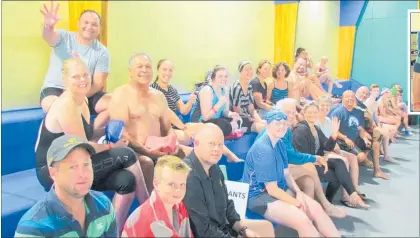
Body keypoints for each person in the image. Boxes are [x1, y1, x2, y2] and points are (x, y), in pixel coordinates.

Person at [34, 58, 149, 234]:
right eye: (76, 77)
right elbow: (84, 148)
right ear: (65, 80)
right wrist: (112, 146)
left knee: (127, 180)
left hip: (75, 162)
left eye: (85, 75)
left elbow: (88, 135)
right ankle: (150, 212)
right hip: (54, 169)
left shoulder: (83, 100)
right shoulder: (67, 104)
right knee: (126, 154)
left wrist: (109, 129)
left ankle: (112, 231)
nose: (82, 80)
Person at [243, 110, 341, 237]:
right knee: (303, 220)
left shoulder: (279, 143)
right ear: (267, 124)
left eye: (285, 123)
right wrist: (297, 203)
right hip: (258, 196)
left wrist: (299, 193)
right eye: (277, 123)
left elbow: (286, 173)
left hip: (279, 188)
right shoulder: (264, 149)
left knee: (316, 209)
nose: (282, 127)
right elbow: (271, 190)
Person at [108, 53, 187, 194]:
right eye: (139, 66)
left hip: (159, 149)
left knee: (185, 153)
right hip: (134, 152)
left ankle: (182, 204)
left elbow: (167, 128)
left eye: (148, 67)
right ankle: (153, 208)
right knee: (146, 162)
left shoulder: (159, 96)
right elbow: (122, 135)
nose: (144, 70)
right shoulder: (121, 94)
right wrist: (149, 153)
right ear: (130, 71)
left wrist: (172, 142)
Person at [258, 98, 345, 218]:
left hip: (282, 168)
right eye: (287, 112)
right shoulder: (277, 128)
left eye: (293, 112)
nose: (292, 115)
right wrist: (314, 158)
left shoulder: (286, 129)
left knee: (308, 181)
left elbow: (288, 155)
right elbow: (291, 156)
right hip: (268, 176)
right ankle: (325, 204)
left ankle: (307, 217)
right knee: (309, 166)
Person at [184, 124, 275, 237]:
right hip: (207, 234)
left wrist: (243, 230)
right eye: (211, 144)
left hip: (222, 228)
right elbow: (203, 230)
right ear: (196, 143)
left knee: (267, 228)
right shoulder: (189, 177)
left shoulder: (214, 168)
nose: (217, 149)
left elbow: (227, 204)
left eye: (220, 145)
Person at [16, 135, 117, 237]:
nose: (83, 174)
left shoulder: (104, 205)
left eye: (86, 164)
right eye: (72, 167)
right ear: (53, 173)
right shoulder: (33, 228)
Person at [39, 1, 110, 128]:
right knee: (57, 106)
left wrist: (80, 95)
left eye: (94, 24)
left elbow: (98, 83)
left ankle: (92, 132)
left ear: (99, 28)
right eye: (86, 22)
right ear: (78, 24)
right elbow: (48, 36)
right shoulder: (63, 37)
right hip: (56, 90)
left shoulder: (102, 52)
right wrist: (48, 26)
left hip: (86, 94)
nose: (89, 26)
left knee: (115, 103)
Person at [293, 103, 368, 208]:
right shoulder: (300, 130)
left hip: (317, 160)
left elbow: (327, 147)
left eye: (315, 112)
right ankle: (329, 202)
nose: (312, 115)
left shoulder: (316, 128)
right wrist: (319, 160)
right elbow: (302, 155)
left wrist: (333, 136)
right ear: (304, 114)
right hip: (307, 164)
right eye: (309, 112)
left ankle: (351, 194)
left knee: (339, 162)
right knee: (337, 177)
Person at [122, 155, 193, 238]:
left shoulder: (178, 205)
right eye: (172, 184)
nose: (178, 190)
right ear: (156, 184)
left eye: (182, 184)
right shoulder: (152, 219)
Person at [316, 96, 367, 201]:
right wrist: (338, 153)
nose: (325, 107)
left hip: (329, 148)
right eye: (322, 105)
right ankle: (346, 196)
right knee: (344, 160)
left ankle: (355, 189)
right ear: (318, 106)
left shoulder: (328, 120)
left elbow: (332, 139)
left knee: (352, 157)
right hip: (320, 151)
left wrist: (339, 151)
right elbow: (322, 143)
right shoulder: (315, 121)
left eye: (327, 106)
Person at [330, 90, 388, 180]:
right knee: (361, 156)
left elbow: (360, 128)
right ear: (342, 99)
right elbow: (334, 131)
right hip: (343, 140)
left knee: (375, 143)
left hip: (356, 139)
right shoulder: (337, 112)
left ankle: (377, 171)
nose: (350, 98)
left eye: (352, 97)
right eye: (347, 97)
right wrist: (345, 138)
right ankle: (345, 170)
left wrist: (364, 138)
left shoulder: (358, 112)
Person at [190, 65, 242, 136]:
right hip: (200, 122)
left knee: (240, 120)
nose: (224, 79)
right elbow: (205, 117)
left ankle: (231, 129)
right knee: (223, 125)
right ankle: (231, 129)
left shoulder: (224, 89)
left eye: (225, 76)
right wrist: (219, 104)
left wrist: (231, 114)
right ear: (213, 78)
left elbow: (225, 112)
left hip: (215, 121)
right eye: (220, 76)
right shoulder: (207, 90)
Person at [229, 61, 266, 133]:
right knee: (264, 128)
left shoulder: (249, 86)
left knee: (266, 124)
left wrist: (259, 120)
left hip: (248, 117)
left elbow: (251, 108)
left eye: (251, 69)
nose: (250, 71)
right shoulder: (237, 87)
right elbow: (236, 110)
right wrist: (253, 119)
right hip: (238, 119)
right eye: (246, 69)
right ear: (240, 72)